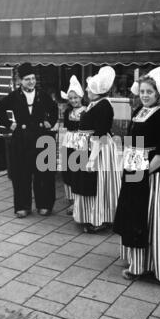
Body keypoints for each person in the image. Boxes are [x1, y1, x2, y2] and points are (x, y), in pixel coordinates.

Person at [113, 65, 160, 282]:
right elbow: (132, 143)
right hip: (136, 171)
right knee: (133, 216)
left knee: (150, 219)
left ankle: (153, 264)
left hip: (154, 176)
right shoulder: (138, 112)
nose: (145, 95)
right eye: (143, 91)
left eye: (150, 92)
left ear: (158, 94)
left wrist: (143, 173)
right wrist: (127, 167)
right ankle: (137, 260)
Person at [0, 62, 58, 218]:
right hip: (21, 140)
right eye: (27, 79)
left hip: (42, 138)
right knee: (21, 174)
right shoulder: (14, 96)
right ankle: (23, 206)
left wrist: (50, 121)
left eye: (33, 78)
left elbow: (54, 109)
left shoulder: (42, 95)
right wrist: (9, 124)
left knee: (44, 173)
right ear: (20, 81)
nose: (31, 81)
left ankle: (45, 205)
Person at [72, 66, 121, 233]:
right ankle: (89, 215)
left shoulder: (104, 106)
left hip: (98, 149)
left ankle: (100, 219)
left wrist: (92, 158)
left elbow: (100, 134)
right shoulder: (96, 103)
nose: (86, 89)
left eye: (89, 87)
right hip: (88, 147)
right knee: (88, 183)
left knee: (97, 184)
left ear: (96, 90)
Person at [60, 76, 86, 215]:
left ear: (81, 97)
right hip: (69, 141)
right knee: (68, 170)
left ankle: (79, 200)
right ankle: (71, 199)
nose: (73, 100)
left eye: (76, 97)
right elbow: (67, 127)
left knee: (78, 170)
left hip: (81, 142)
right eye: (71, 98)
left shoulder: (87, 110)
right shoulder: (67, 112)